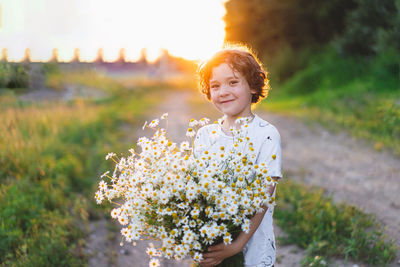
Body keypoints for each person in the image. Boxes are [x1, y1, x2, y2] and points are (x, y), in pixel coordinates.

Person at [193, 44, 282, 267]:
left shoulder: (266, 134)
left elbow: (264, 198)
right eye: (215, 86)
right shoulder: (205, 135)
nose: (223, 91)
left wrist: (236, 246)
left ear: (253, 86)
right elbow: (196, 194)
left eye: (233, 82)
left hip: (252, 248)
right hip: (213, 245)